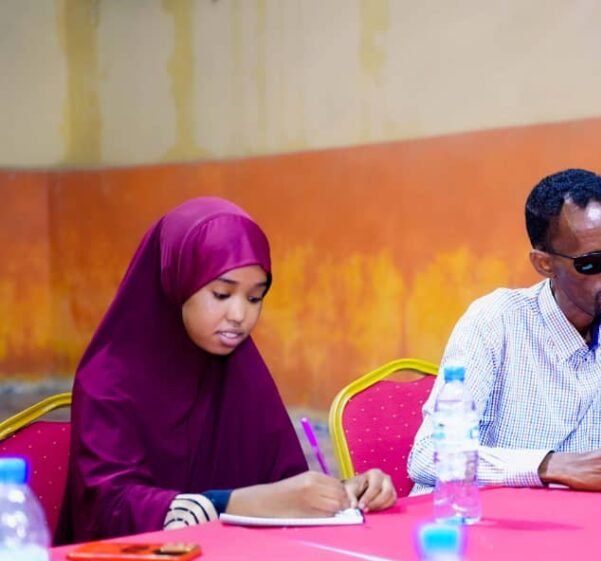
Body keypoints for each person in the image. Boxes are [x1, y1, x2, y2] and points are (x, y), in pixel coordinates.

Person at [57, 197, 395, 543]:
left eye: (254, 298)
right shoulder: (108, 380)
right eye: (221, 294)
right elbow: (107, 509)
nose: (239, 315)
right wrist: (223, 504)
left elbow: (285, 485)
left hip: (239, 560)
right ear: (176, 282)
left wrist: (344, 493)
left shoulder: (243, 371)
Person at [407, 168, 601, 490]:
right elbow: (429, 456)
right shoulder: (495, 321)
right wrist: (553, 466)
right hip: (483, 515)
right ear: (544, 264)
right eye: (591, 263)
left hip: (582, 515)